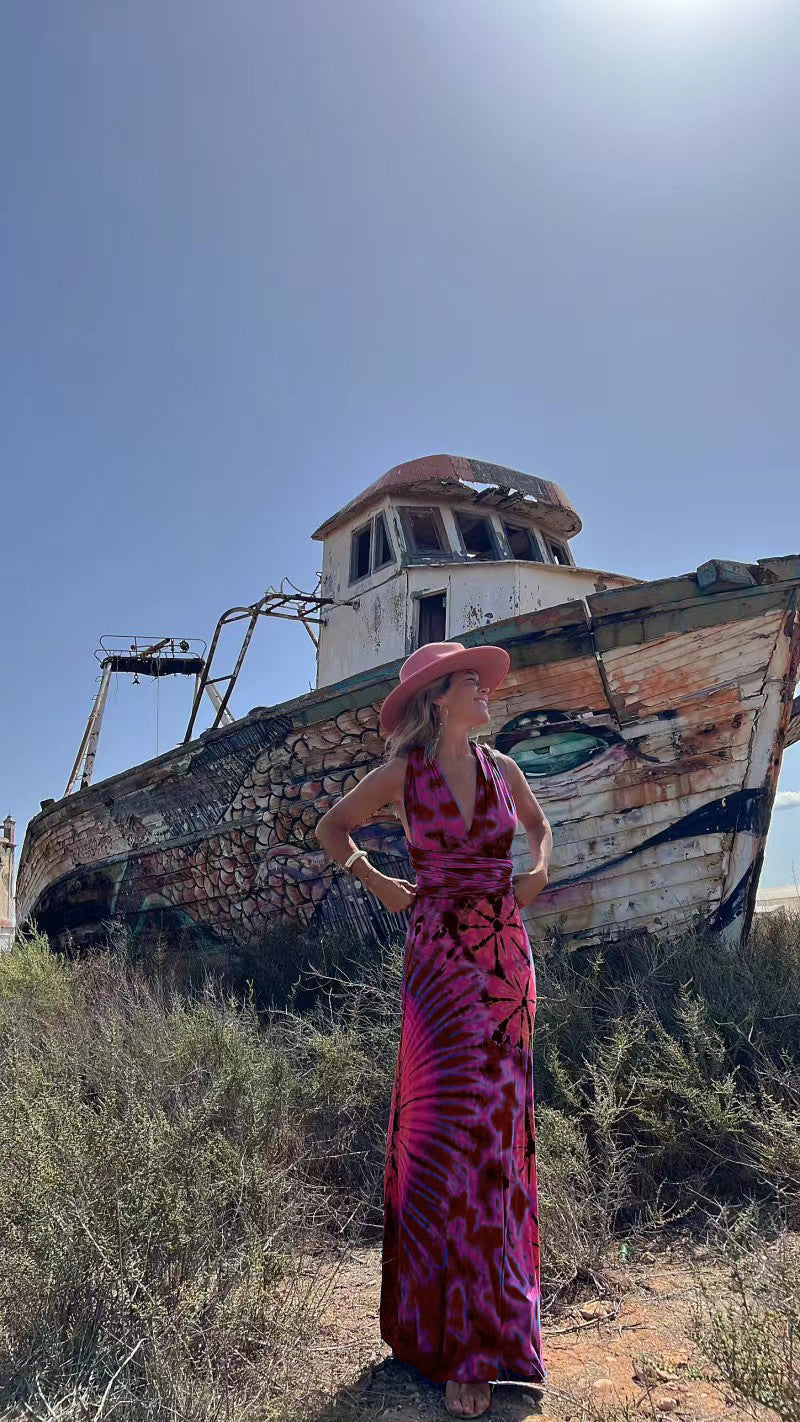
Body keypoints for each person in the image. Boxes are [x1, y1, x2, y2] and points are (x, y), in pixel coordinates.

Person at [315, 640, 552, 1417]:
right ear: (440, 698)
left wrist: (538, 868)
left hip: (503, 964)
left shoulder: (502, 769)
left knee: (496, 1141)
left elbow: (540, 830)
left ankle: (488, 1343)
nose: (488, 694)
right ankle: (440, 1335)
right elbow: (333, 828)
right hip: (437, 966)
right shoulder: (401, 777)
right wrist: (379, 884)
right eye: (473, 686)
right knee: (440, 1137)